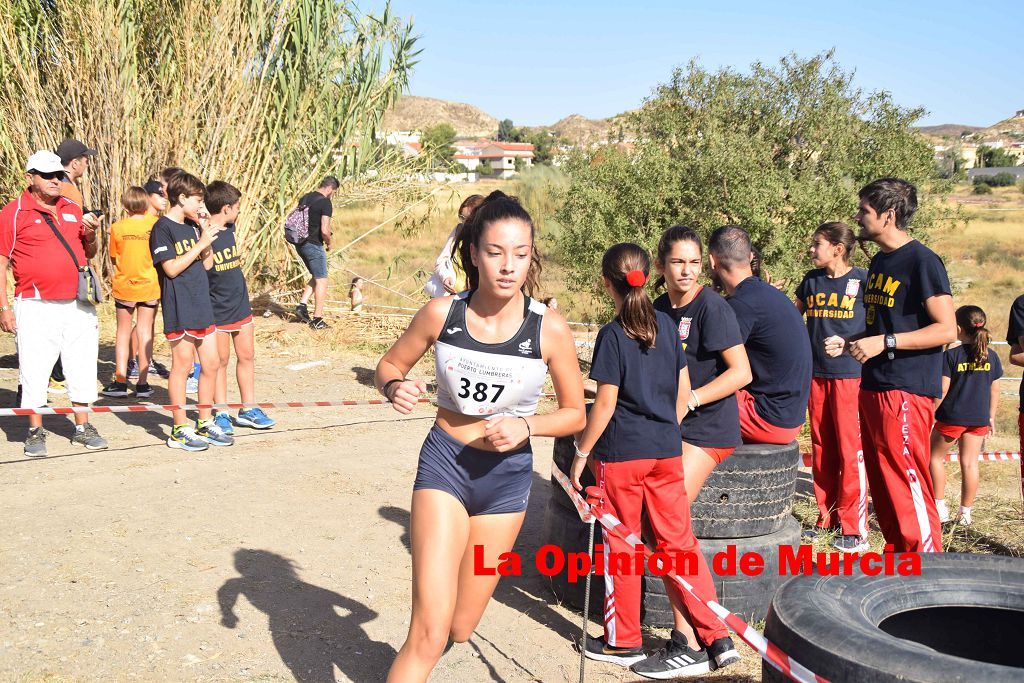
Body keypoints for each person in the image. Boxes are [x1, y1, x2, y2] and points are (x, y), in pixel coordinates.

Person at [375, 191, 585, 682]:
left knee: (461, 626)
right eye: (495, 252)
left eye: (520, 253)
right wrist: (394, 385)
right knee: (427, 630)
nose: (508, 266)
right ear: (473, 253)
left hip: (507, 483)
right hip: (445, 466)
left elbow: (575, 413)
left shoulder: (548, 329)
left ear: (531, 256)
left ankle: (431, 649)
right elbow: (389, 362)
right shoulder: (440, 314)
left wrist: (528, 426)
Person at [570, 242, 739, 679]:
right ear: (651, 274)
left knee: (622, 547)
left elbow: (604, 405)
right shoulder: (667, 324)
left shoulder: (612, 334)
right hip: (667, 451)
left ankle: (622, 640)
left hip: (622, 455)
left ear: (606, 283)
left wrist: (581, 451)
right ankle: (716, 636)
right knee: (679, 544)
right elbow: (683, 395)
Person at [825, 178, 956, 553]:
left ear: (889, 215)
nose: (858, 217)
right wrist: (854, 343)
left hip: (907, 388)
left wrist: (886, 342)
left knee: (907, 478)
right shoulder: (881, 261)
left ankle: (928, 569)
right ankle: (901, 562)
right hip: (874, 384)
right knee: (884, 483)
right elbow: (886, 324)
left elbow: (945, 328)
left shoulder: (923, 261)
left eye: (864, 211)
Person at [0, 150, 107, 456]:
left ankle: (83, 427)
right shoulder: (13, 212)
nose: (55, 181)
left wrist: (91, 234)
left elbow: (90, 252)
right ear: (29, 177)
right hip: (34, 304)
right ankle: (35, 430)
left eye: (58, 175)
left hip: (77, 302)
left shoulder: (73, 207)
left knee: (83, 363)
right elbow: (2, 261)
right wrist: (4, 307)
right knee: (34, 368)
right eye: (47, 175)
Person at [652, 225, 751, 499]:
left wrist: (691, 399)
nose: (687, 271)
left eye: (694, 262)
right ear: (660, 264)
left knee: (669, 500)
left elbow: (742, 373)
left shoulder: (712, 307)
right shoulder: (656, 308)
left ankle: (678, 544)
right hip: (668, 421)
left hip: (708, 426)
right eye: (678, 262)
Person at [795, 222, 870, 551]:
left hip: (850, 375)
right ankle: (826, 517)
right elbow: (791, 318)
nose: (812, 250)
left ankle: (853, 526)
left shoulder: (864, 280)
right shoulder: (811, 281)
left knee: (849, 449)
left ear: (838, 249)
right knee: (822, 447)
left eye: (817, 244)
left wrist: (851, 341)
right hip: (816, 375)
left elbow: (880, 325)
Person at [149, 171, 233, 451]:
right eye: (197, 200)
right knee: (183, 366)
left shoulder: (192, 225)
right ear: (181, 198)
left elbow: (207, 266)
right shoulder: (163, 228)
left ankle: (204, 420)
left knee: (211, 364)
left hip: (202, 304)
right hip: (179, 305)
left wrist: (205, 237)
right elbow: (170, 268)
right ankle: (179, 427)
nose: (201, 205)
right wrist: (200, 244)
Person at [708, 226, 812, 445]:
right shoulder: (766, 295)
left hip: (767, 418)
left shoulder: (742, 305)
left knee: (680, 395)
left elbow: (705, 363)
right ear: (750, 256)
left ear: (712, 261)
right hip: (790, 415)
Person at [204, 180, 275, 434]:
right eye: (236, 207)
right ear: (225, 208)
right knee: (220, 361)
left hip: (240, 304)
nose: (239, 211)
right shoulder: (204, 233)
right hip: (217, 308)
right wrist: (203, 225)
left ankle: (248, 408)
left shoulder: (229, 227)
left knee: (246, 356)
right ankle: (221, 410)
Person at [929, 306, 1001, 527]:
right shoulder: (993, 356)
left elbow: (942, 389)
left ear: (958, 328)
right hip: (978, 419)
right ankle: (965, 514)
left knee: (933, 458)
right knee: (970, 463)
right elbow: (994, 389)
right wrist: (991, 417)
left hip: (952, 417)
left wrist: (931, 414)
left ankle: (939, 508)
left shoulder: (950, 356)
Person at [48, 138, 102, 394]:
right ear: (75, 162)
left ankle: (54, 373)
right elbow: (75, 228)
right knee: (68, 320)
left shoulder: (56, 184)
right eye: (85, 158)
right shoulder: (69, 189)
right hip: (69, 264)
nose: (87, 163)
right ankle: (57, 375)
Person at [102, 186, 161, 398]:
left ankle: (120, 380)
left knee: (123, 332)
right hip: (149, 285)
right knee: (145, 331)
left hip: (125, 285)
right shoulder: (155, 225)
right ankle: (143, 384)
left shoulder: (117, 228)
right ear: (146, 203)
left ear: (126, 206)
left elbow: (114, 257)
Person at [126, 180, 172, 382]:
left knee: (148, 321)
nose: (165, 199)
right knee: (143, 322)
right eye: (160, 195)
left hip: (154, 277)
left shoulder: (157, 221)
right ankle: (131, 360)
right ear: (147, 197)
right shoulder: (145, 222)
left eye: (165, 195)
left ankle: (144, 359)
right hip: (142, 279)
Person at [293, 176, 339, 329]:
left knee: (316, 275)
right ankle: (317, 319)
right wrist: (329, 242)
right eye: (334, 192)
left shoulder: (305, 197)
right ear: (330, 188)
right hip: (313, 244)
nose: (332, 195)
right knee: (322, 280)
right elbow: (325, 229)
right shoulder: (325, 202)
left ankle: (302, 306)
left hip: (300, 244)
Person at [424, 194, 485, 297]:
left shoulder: (488, 236)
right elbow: (441, 261)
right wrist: (446, 277)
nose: (464, 223)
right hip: (451, 297)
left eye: (468, 219)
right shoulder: (458, 230)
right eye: (461, 217)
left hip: (477, 299)